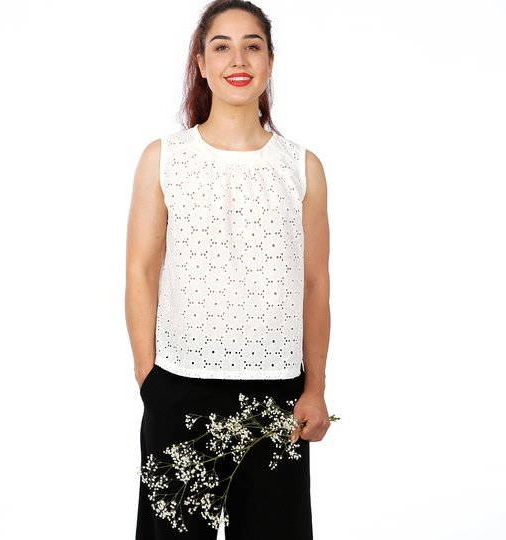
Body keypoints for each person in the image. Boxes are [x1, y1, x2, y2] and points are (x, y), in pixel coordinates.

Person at [125, 1, 331, 538]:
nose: (237, 60)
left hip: (275, 396)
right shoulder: (164, 159)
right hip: (180, 389)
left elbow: (315, 284)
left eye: (252, 46)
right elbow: (141, 271)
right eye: (222, 46)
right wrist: (149, 377)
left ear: (269, 62)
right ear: (201, 62)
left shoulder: (302, 167)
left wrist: (314, 387)